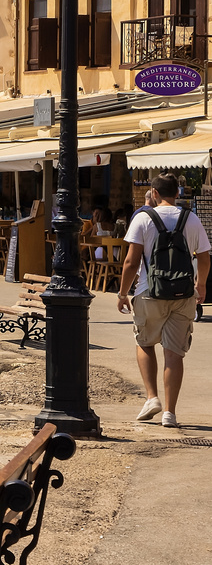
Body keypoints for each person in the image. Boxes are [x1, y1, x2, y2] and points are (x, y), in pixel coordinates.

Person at [118, 174, 210, 428]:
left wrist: (123, 293)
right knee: (174, 354)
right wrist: (200, 285)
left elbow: (131, 261)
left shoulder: (143, 219)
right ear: (177, 193)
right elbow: (203, 256)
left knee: (145, 343)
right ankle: (170, 412)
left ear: (154, 194)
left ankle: (152, 397)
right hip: (183, 295)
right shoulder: (190, 218)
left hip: (149, 292)